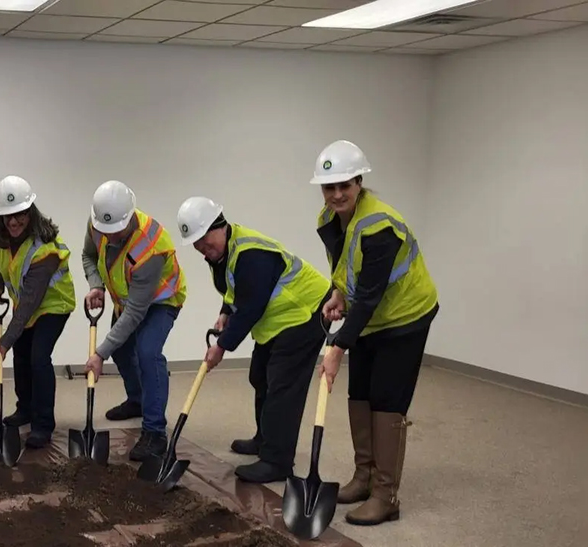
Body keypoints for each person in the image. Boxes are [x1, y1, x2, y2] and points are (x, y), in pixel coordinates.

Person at [310, 140, 439, 526]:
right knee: (360, 392)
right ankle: (363, 476)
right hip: (372, 316)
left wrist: (336, 347)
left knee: (386, 400)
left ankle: (386, 494)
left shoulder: (379, 225)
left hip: (404, 317)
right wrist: (337, 294)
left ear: (359, 182)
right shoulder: (330, 219)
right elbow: (348, 271)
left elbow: (369, 294)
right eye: (329, 187)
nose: (336, 194)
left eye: (344, 185)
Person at [175, 196, 331, 483]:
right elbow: (234, 291)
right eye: (198, 246)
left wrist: (221, 346)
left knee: (283, 385)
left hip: (305, 311)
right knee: (260, 376)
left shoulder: (251, 254)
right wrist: (224, 313)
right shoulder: (222, 254)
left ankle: (277, 461)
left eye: (206, 243)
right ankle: (264, 439)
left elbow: (251, 306)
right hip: (277, 320)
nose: (204, 251)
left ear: (220, 225)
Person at [82, 180, 186, 461]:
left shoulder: (152, 246)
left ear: (129, 217)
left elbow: (137, 312)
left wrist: (99, 353)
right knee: (123, 351)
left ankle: (155, 432)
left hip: (161, 300)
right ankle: (138, 399)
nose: (110, 237)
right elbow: (89, 256)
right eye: (106, 231)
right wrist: (96, 286)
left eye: (116, 232)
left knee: (148, 352)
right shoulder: (98, 225)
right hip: (125, 299)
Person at [0, 176, 75, 449]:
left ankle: (43, 425)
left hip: (53, 305)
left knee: (38, 357)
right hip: (24, 304)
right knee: (21, 356)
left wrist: (5, 340)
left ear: (31, 212)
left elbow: (29, 303)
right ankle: (24, 408)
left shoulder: (44, 249)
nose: (13, 222)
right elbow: (1, 260)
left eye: (20, 215)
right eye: (7, 217)